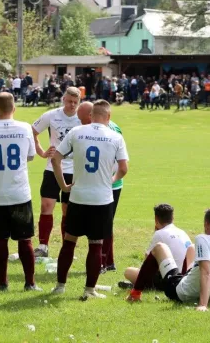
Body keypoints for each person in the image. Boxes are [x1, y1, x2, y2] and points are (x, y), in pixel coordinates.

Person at [51, 100, 129, 300]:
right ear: (108, 117)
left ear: (91, 115)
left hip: (78, 196)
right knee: (96, 244)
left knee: (69, 242)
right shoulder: (115, 137)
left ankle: (60, 286)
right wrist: (111, 181)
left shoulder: (76, 132)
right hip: (101, 199)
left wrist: (63, 186)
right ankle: (89, 290)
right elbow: (123, 169)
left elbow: (55, 159)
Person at [0, 93, 41, 292]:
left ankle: (3, 282)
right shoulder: (25, 128)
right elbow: (31, 155)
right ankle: (30, 283)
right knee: (25, 239)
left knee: (0, 239)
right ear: (14, 109)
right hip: (20, 193)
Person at [31, 87, 81, 258]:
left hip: (74, 170)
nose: (72, 105)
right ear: (63, 99)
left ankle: (67, 247)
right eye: (69, 101)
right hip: (53, 167)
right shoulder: (51, 115)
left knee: (68, 210)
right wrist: (42, 152)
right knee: (46, 206)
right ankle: (43, 246)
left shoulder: (82, 117)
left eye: (75, 102)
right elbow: (33, 132)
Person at [76, 102, 123, 273]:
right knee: (104, 223)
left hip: (109, 183)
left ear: (92, 115)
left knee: (105, 224)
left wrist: (111, 179)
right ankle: (107, 261)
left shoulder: (112, 130)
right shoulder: (95, 129)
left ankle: (104, 261)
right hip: (99, 182)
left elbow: (120, 161)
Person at [122, 204, 194, 299]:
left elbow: (147, 262)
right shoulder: (182, 232)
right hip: (186, 277)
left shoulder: (159, 234)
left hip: (170, 278)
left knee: (128, 271)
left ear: (156, 219)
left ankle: (142, 288)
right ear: (173, 217)